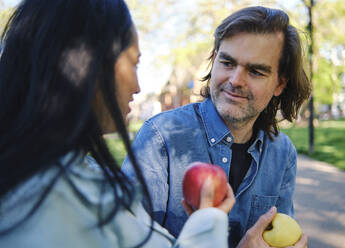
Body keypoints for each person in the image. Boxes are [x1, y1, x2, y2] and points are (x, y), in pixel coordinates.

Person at [0, 0, 239, 247]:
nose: (137, 87)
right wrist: (209, 224)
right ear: (86, 64)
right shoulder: (56, 201)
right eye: (134, 63)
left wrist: (206, 222)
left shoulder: (74, 175)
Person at [122, 6, 311, 247]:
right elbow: (126, 240)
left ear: (279, 85)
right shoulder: (160, 138)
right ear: (214, 61)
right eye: (228, 63)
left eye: (255, 71)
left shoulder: (282, 153)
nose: (235, 81)